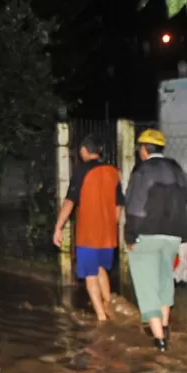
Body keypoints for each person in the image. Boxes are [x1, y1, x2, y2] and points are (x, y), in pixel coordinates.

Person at [124, 128, 187, 352]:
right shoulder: (176, 169)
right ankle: (164, 328)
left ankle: (160, 343)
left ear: (145, 149)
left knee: (147, 288)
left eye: (140, 148)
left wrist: (130, 234)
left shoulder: (142, 171)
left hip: (146, 235)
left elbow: (135, 206)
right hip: (173, 237)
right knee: (165, 280)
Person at [53, 135, 124, 322]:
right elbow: (119, 206)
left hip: (88, 235)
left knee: (90, 275)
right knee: (101, 269)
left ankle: (101, 318)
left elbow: (70, 202)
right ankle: (108, 305)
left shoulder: (81, 172)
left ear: (84, 151)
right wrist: (111, 224)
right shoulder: (113, 172)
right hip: (108, 235)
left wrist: (58, 227)